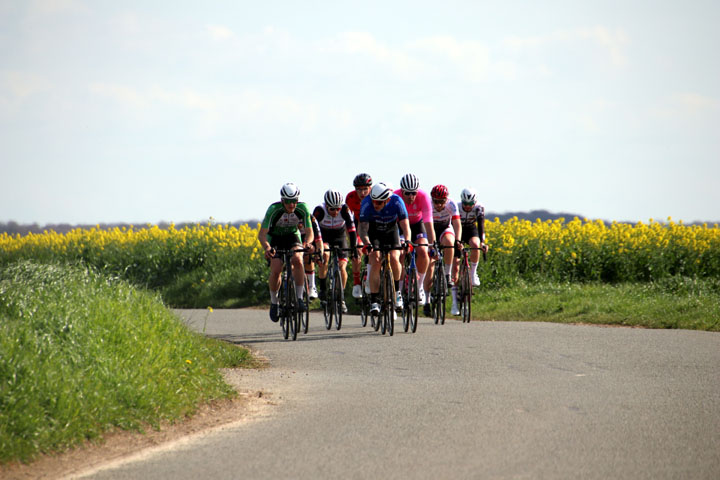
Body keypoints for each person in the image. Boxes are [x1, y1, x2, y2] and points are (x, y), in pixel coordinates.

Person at [257, 183, 314, 322]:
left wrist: (308, 243)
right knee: (276, 269)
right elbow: (262, 235)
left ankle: (299, 298)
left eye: (294, 201)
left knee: (298, 260)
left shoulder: (303, 208)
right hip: (275, 238)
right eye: (288, 201)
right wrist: (267, 248)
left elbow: (309, 231)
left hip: (292, 236)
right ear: (282, 200)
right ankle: (274, 302)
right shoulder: (273, 210)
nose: (291, 204)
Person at [357, 182, 411, 314]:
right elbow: (363, 228)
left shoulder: (397, 201)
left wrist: (407, 240)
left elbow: (405, 225)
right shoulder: (366, 202)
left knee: (394, 257)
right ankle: (375, 300)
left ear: (387, 200)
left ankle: (397, 292)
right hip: (374, 232)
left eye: (379, 203)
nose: (375, 205)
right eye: (374, 201)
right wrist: (367, 243)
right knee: (375, 259)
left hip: (391, 231)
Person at [393, 173, 436, 305]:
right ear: (402, 191)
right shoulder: (395, 197)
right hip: (399, 226)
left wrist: (433, 245)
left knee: (423, 251)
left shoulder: (423, 197)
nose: (411, 197)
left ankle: (419, 286)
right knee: (399, 253)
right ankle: (398, 291)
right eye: (407, 193)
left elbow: (429, 223)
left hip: (417, 225)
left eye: (413, 193)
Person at [313, 189, 358, 313]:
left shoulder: (345, 210)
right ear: (326, 205)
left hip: (340, 236)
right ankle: (322, 288)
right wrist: (318, 249)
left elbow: (352, 231)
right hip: (324, 236)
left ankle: (341, 297)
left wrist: (353, 249)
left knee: (342, 267)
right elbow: (313, 231)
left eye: (337, 209)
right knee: (325, 255)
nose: (335, 212)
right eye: (332, 209)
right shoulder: (319, 211)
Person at [422, 184, 462, 316]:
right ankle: (427, 299)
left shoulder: (452, 205)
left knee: (450, 242)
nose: (438, 205)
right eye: (436, 201)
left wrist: (458, 241)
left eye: (441, 202)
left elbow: (457, 224)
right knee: (430, 266)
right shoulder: (427, 204)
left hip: (444, 228)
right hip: (430, 230)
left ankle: (447, 274)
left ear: (446, 199)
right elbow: (424, 225)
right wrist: (430, 244)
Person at [452, 187, 489, 316]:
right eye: (465, 204)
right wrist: (456, 242)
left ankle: (473, 273)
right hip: (458, 230)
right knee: (455, 267)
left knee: (475, 244)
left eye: (470, 204)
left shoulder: (479, 208)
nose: (467, 207)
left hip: (471, 229)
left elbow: (481, 226)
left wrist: (483, 243)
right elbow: (452, 225)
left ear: (474, 202)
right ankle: (454, 303)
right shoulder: (456, 206)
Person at [345, 173, 372, 298]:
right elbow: (348, 221)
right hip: (356, 224)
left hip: (373, 224)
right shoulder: (350, 197)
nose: (362, 192)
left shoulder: (375, 196)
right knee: (357, 248)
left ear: (370, 188)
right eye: (359, 189)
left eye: (365, 189)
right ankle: (356, 284)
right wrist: (353, 241)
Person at [302, 214, 324, 300]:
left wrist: (319, 255)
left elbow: (319, 240)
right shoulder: (289, 218)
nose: (300, 225)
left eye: (302, 222)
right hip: (294, 238)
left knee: (309, 254)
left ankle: (312, 286)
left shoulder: (311, 219)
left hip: (308, 239)